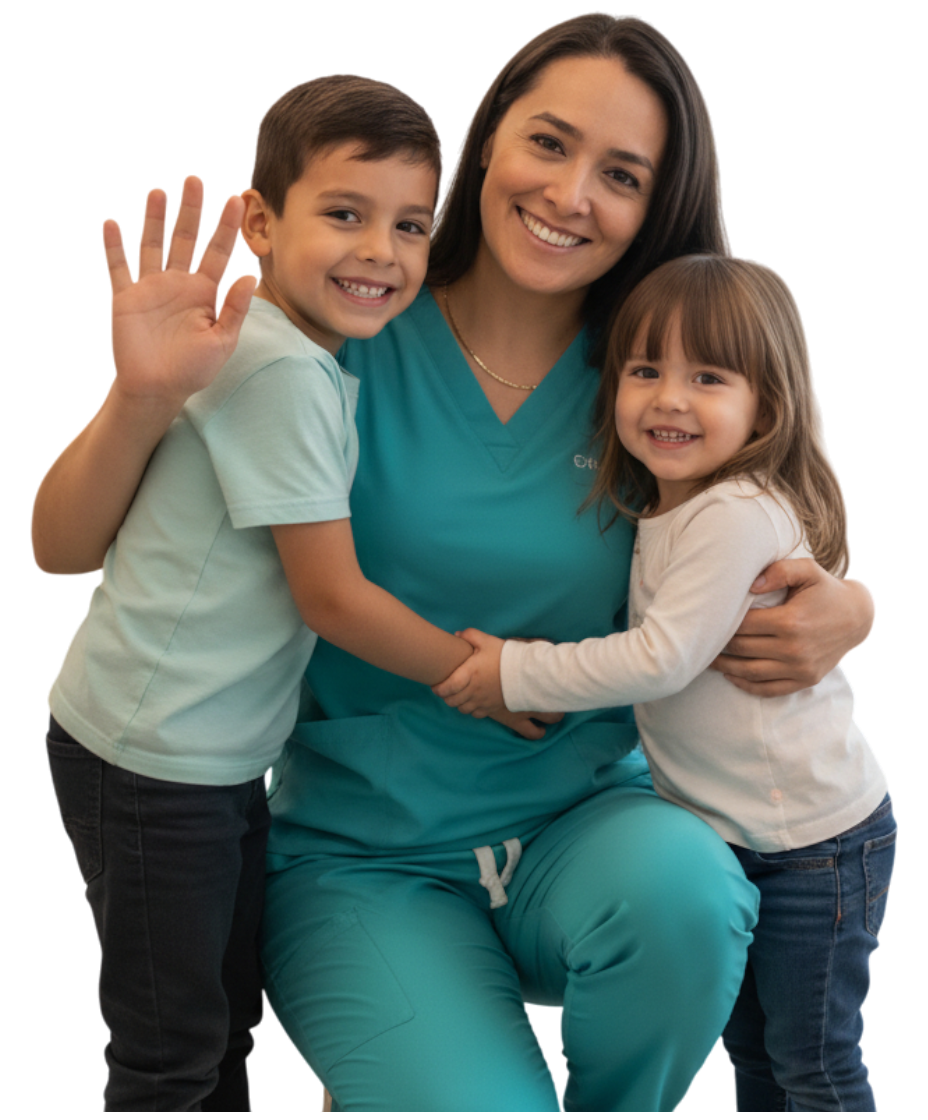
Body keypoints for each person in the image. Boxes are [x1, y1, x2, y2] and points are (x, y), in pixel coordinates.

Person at [32, 14, 879, 1119]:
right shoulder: (340, 322)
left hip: (593, 831)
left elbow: (775, 517)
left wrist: (853, 606)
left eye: (619, 173)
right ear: (482, 142)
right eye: (549, 142)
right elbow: (59, 540)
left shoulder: (656, 377)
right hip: (359, 856)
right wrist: (137, 393)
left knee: (685, 894)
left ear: (655, 204)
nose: (571, 194)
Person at [39, 74, 556, 1117]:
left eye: (410, 225)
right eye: (345, 214)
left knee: (217, 1019)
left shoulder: (281, 348)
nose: (381, 251)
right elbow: (330, 596)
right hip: (156, 757)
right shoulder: (278, 370)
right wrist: (480, 678)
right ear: (265, 224)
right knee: (171, 1050)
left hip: (205, 753)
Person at [434, 252, 897, 1116]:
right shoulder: (670, 503)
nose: (669, 398)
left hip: (815, 848)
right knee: (756, 1052)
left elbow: (660, 658)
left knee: (816, 1064)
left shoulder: (732, 512)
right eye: (645, 370)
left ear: (767, 405)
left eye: (708, 377)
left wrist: (513, 668)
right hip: (742, 837)